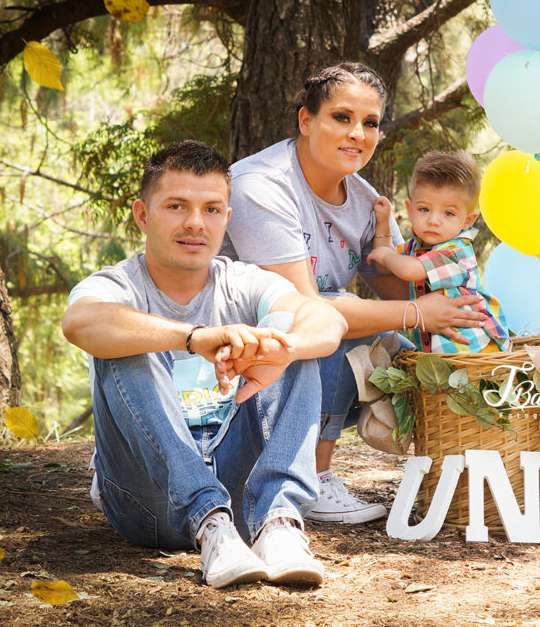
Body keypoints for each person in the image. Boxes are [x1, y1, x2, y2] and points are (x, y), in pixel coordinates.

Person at [62, 141, 347, 589]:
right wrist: (193, 338)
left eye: (212, 209)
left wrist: (283, 350)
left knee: (287, 339)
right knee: (121, 345)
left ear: (226, 218)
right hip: (147, 501)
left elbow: (326, 319)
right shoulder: (115, 285)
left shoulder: (242, 280)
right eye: (176, 206)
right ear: (142, 214)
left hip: (242, 495)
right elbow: (80, 323)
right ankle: (208, 520)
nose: (196, 223)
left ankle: (278, 526)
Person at [221, 62, 490, 524]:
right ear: (306, 121)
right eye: (341, 118)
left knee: (419, 357)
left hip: (297, 361)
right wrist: (415, 313)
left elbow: (400, 289)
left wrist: (456, 304)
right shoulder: (261, 187)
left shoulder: (365, 201)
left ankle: (459, 471)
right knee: (327, 323)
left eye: (370, 123)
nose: (357, 134)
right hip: (236, 368)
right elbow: (305, 309)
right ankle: (313, 477)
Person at [367, 150, 510, 353]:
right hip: (445, 354)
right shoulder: (416, 247)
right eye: (424, 209)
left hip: (474, 348)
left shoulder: (456, 250)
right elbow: (382, 263)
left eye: (448, 213)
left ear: (468, 220)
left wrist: (387, 256)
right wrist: (383, 222)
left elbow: (409, 270)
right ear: (410, 209)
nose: (433, 220)